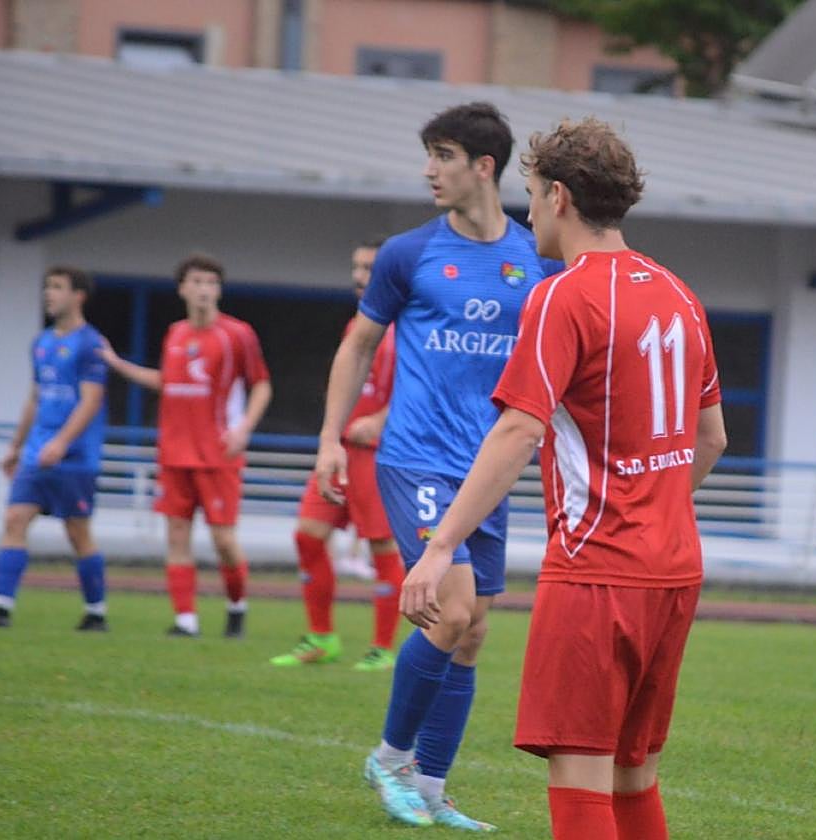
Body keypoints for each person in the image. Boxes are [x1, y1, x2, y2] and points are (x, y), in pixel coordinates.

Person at [401, 117, 727, 840]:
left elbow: (519, 429)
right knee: (632, 770)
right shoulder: (679, 293)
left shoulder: (563, 295)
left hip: (596, 573)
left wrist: (438, 546)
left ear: (559, 199)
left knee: (579, 774)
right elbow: (712, 437)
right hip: (674, 569)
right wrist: (653, 508)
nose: (527, 214)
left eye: (531, 195)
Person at [315, 101, 562, 832]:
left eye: (443, 155)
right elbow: (357, 345)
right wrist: (331, 436)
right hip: (416, 457)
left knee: (475, 627)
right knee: (448, 609)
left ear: (483, 167)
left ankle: (429, 786)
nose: (429, 170)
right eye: (428, 155)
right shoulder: (406, 254)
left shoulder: (535, 261)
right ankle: (389, 759)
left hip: (487, 468)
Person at [101, 253, 272, 638]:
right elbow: (169, 382)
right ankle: (185, 621)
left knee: (223, 540)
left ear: (219, 290)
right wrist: (118, 364)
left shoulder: (237, 334)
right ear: (182, 288)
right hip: (174, 453)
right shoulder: (176, 333)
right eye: (196, 281)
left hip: (218, 453)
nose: (204, 289)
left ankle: (236, 607)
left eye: (211, 283)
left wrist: (244, 428)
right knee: (176, 537)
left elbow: (261, 382)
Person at [270, 240, 405, 671]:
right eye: (356, 267)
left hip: (379, 454)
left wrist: (381, 419)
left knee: (383, 545)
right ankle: (322, 638)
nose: (360, 276)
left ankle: (383, 648)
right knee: (308, 536)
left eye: (369, 267)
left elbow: (420, 387)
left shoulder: (409, 325)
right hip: (342, 450)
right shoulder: (358, 325)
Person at [0, 267, 110, 631]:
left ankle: (96, 613)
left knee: (77, 532)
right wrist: (16, 446)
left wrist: (62, 442)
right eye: (47, 287)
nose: (48, 294)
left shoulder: (90, 344)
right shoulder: (40, 343)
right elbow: (35, 398)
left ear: (78, 295)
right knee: (14, 519)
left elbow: (90, 401)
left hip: (76, 457)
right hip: (36, 451)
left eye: (57, 287)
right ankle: (1, 606)